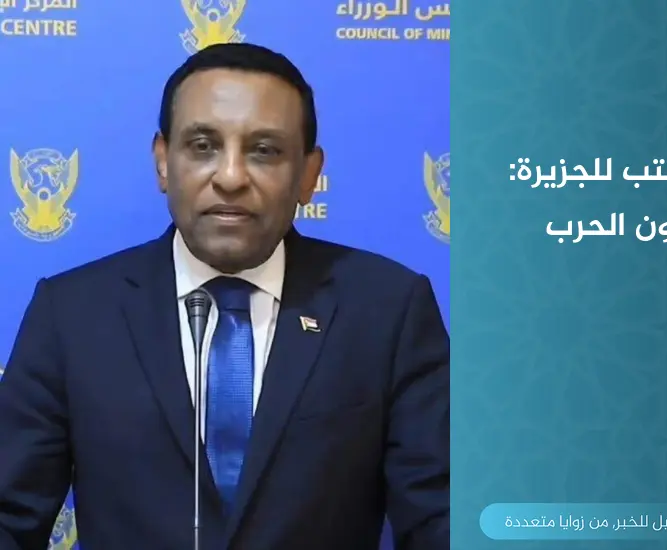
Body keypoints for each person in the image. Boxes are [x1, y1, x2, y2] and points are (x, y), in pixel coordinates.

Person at [0, 43, 449, 550]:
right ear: (163, 161)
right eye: (203, 146)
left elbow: (441, 514)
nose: (231, 177)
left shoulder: (388, 309)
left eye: (265, 150)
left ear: (309, 174)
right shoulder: (72, 314)